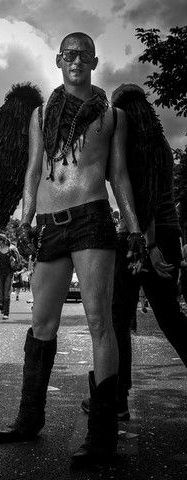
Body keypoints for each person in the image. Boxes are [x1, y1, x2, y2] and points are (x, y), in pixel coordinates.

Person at [0, 32, 146, 467]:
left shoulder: (113, 116)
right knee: (42, 322)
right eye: (68, 55)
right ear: (58, 61)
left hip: (91, 220)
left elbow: (119, 177)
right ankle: (28, 419)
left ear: (95, 61)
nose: (76, 60)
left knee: (100, 322)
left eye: (83, 54)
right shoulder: (41, 114)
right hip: (47, 224)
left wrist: (133, 230)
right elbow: (32, 169)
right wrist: (23, 220)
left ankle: (102, 437)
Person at [81, 84, 187, 422]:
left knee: (118, 318)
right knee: (166, 316)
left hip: (143, 238)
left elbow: (145, 198)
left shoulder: (137, 144)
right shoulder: (159, 144)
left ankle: (116, 399)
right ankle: (116, 398)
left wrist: (149, 245)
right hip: (161, 236)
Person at [0, 233, 19, 320]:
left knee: (6, 294)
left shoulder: (11, 250)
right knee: (0, 294)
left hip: (9, 274)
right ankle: (3, 307)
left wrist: (14, 260)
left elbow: (18, 260)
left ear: (2, 241)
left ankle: (6, 313)